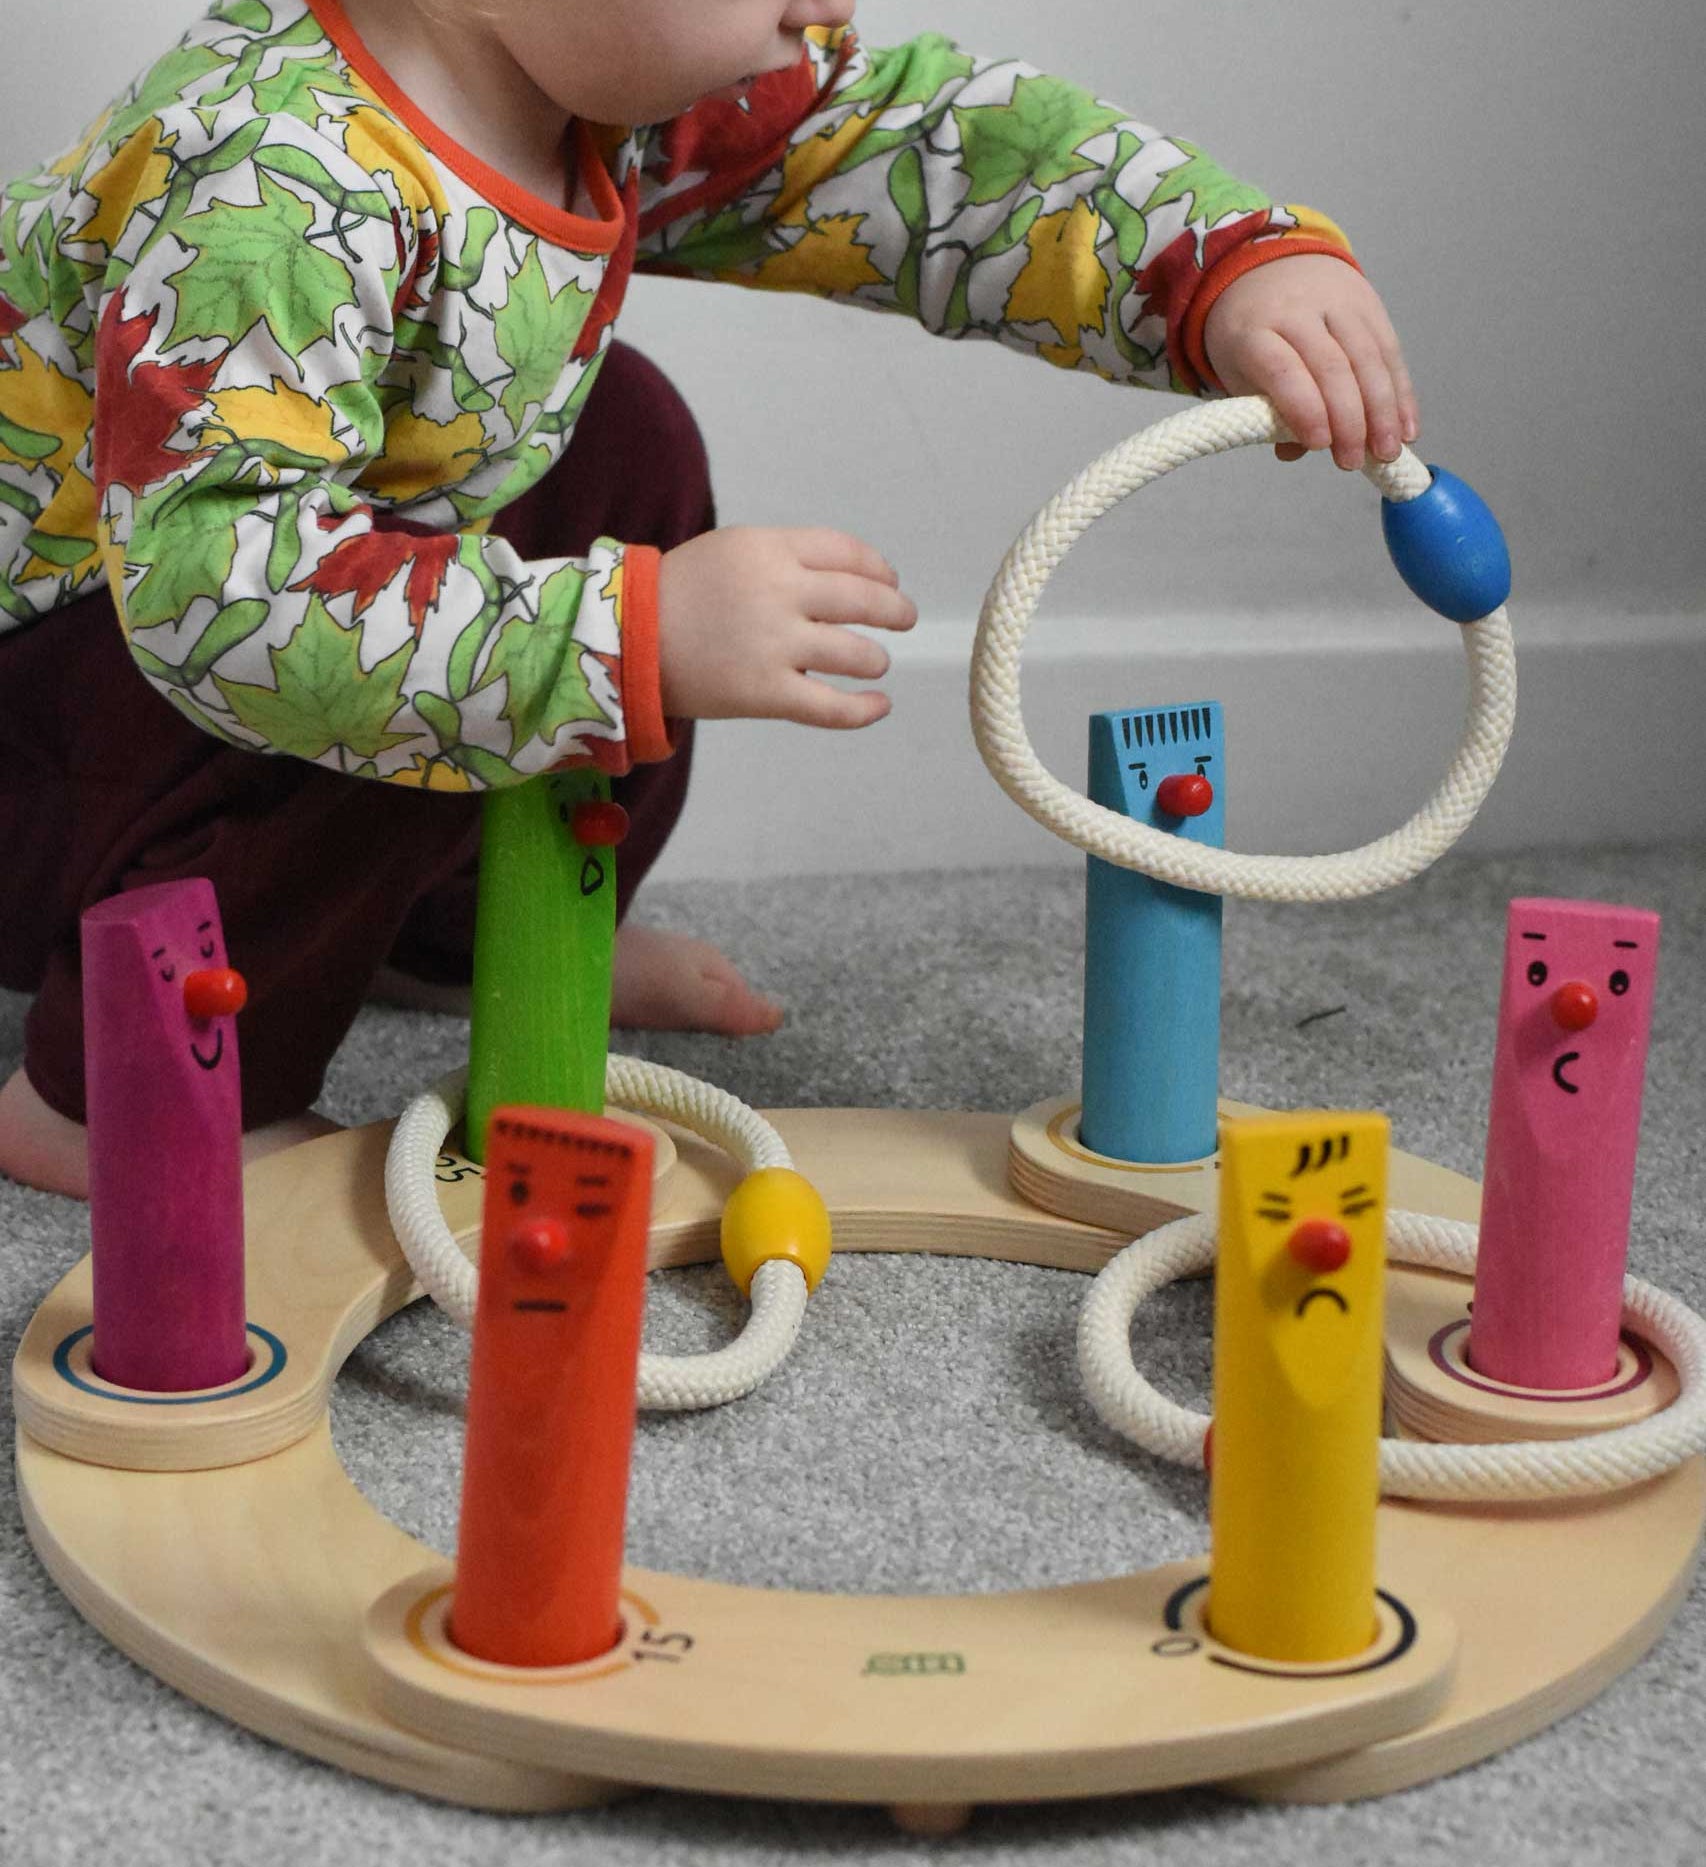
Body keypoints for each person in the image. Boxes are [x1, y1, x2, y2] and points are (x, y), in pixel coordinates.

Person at [0, 0, 1418, 1197]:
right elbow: (223, 605)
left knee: (620, 435)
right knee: (382, 609)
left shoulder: (586, 82)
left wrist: (1217, 264)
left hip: (184, 643)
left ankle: (445, 926)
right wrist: (627, 636)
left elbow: (910, 147)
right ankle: (113, 1096)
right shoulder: (276, 170)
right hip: (60, 714)